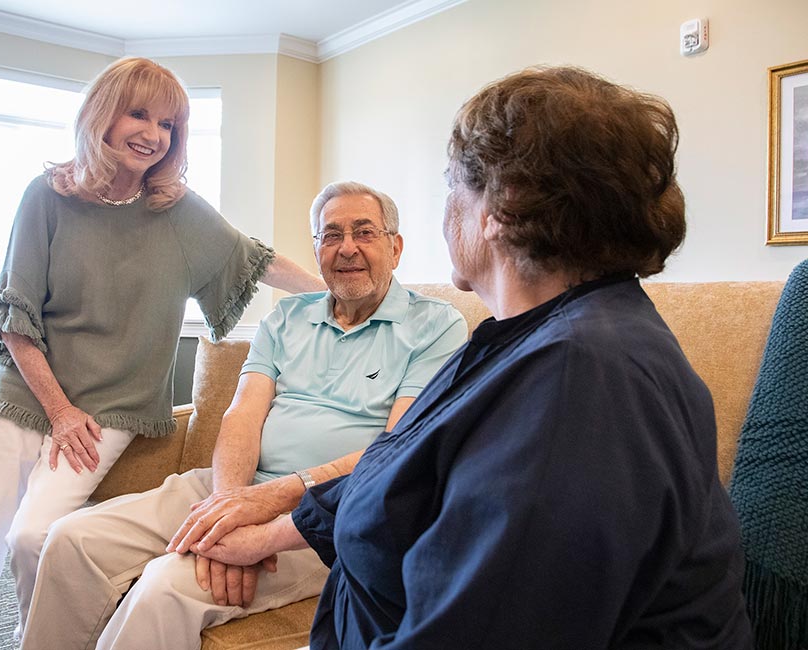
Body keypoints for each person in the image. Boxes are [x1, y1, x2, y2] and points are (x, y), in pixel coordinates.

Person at [197, 66, 754, 649]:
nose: (445, 212)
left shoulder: (582, 379)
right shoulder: (524, 338)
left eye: (452, 188)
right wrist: (274, 531)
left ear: (500, 208)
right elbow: (405, 469)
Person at [0, 57, 325, 650]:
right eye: (139, 114)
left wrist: (341, 290)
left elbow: (254, 259)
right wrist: (58, 411)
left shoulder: (177, 210)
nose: (153, 134)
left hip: (111, 406)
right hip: (26, 394)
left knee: (32, 538)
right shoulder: (46, 197)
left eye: (168, 125)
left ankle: (36, 638)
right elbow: (15, 319)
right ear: (101, 115)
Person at [18, 180, 467, 650]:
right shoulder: (287, 317)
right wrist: (231, 504)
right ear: (316, 249)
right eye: (331, 235)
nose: (347, 248)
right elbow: (241, 416)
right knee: (71, 540)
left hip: (324, 513)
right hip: (229, 484)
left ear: (395, 247)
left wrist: (264, 506)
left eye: (364, 232)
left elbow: (396, 449)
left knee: (164, 587)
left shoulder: (436, 326)